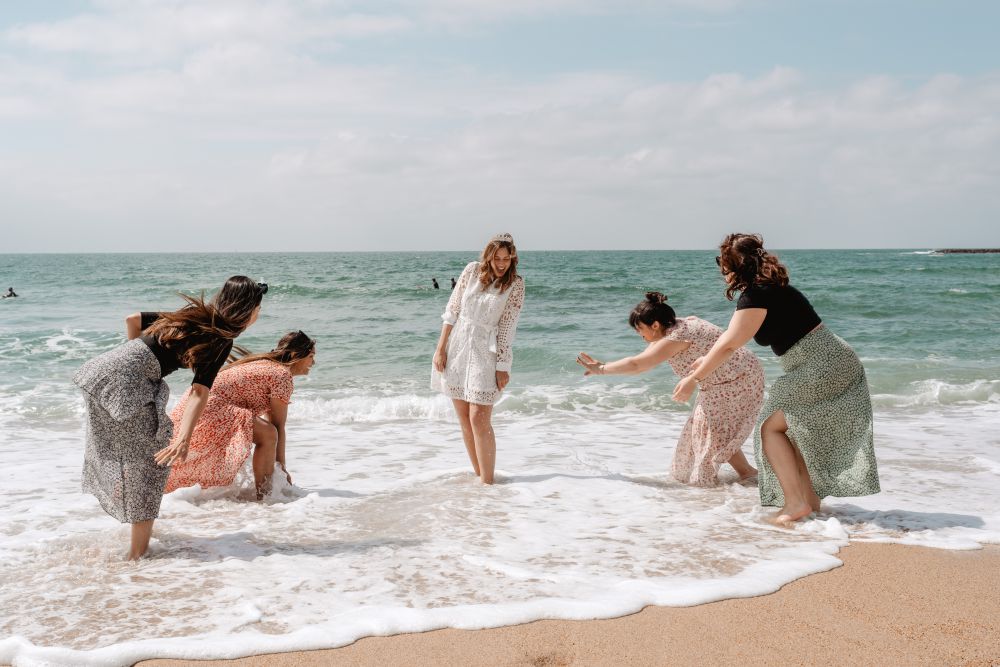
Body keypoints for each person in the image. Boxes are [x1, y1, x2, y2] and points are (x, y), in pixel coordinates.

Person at [673, 234, 879, 524]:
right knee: (795, 430)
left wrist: (694, 377)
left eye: (723, 263)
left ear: (735, 266)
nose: (722, 270)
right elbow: (734, 340)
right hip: (832, 359)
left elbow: (730, 342)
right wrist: (704, 362)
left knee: (770, 429)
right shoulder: (770, 288)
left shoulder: (756, 295)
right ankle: (809, 503)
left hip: (820, 363)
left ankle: (795, 504)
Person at [73, 276, 266, 559]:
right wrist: (183, 439)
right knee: (153, 462)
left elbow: (132, 319)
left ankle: (136, 530)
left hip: (101, 371)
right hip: (127, 382)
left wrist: (139, 358)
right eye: (259, 308)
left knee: (138, 456)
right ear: (248, 310)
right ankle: (137, 554)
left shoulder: (192, 316)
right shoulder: (219, 338)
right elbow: (199, 393)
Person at [577, 292, 763, 486]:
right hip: (735, 375)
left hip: (736, 379)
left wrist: (602, 369)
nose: (639, 335)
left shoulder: (677, 337)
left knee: (707, 429)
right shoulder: (677, 325)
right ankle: (747, 474)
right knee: (710, 428)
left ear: (655, 325)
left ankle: (710, 488)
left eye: (640, 329)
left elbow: (638, 365)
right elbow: (643, 360)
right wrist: (603, 368)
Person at [164, 331, 316, 500]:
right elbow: (278, 426)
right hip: (211, 407)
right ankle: (266, 498)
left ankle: (266, 494)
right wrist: (281, 467)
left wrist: (279, 467)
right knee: (268, 434)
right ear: (295, 355)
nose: (313, 362)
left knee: (267, 433)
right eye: (311, 356)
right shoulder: (282, 375)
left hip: (195, 405)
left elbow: (272, 421)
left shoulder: (266, 365)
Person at [432, 233, 525, 484]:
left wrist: (503, 366)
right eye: (497, 258)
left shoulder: (515, 284)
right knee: (463, 417)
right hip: (458, 345)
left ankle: (488, 482)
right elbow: (452, 310)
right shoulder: (471, 271)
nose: (502, 263)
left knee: (478, 418)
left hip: (487, 350)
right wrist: (440, 349)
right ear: (488, 256)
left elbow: (507, 327)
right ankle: (480, 480)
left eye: (507, 258)